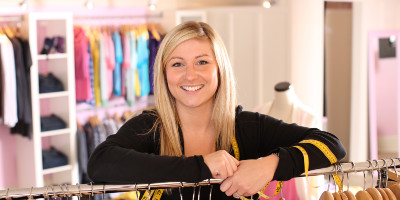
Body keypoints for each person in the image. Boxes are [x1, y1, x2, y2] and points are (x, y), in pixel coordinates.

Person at [87, 21, 346, 200]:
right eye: (177, 64)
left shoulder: (247, 127)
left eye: (202, 62)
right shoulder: (149, 128)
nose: (190, 75)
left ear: (219, 69)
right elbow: (99, 165)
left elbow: (332, 145)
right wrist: (201, 166)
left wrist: (269, 165)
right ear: (164, 74)